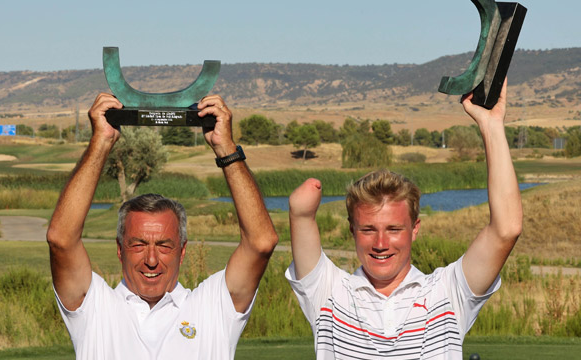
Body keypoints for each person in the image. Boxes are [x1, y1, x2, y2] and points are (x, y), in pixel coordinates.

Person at [286, 80, 522, 359]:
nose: (381, 243)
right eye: (368, 229)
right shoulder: (328, 293)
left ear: (415, 229)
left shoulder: (446, 293)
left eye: (394, 229)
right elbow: (301, 219)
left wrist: (491, 126)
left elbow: (506, 229)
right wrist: (300, 211)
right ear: (352, 230)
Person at [47, 93, 278, 359]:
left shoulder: (212, 308)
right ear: (120, 249)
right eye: (138, 244)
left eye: (164, 245)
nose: (152, 260)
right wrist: (101, 142)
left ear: (182, 250)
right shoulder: (94, 308)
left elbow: (261, 242)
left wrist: (225, 147)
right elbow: (61, 239)